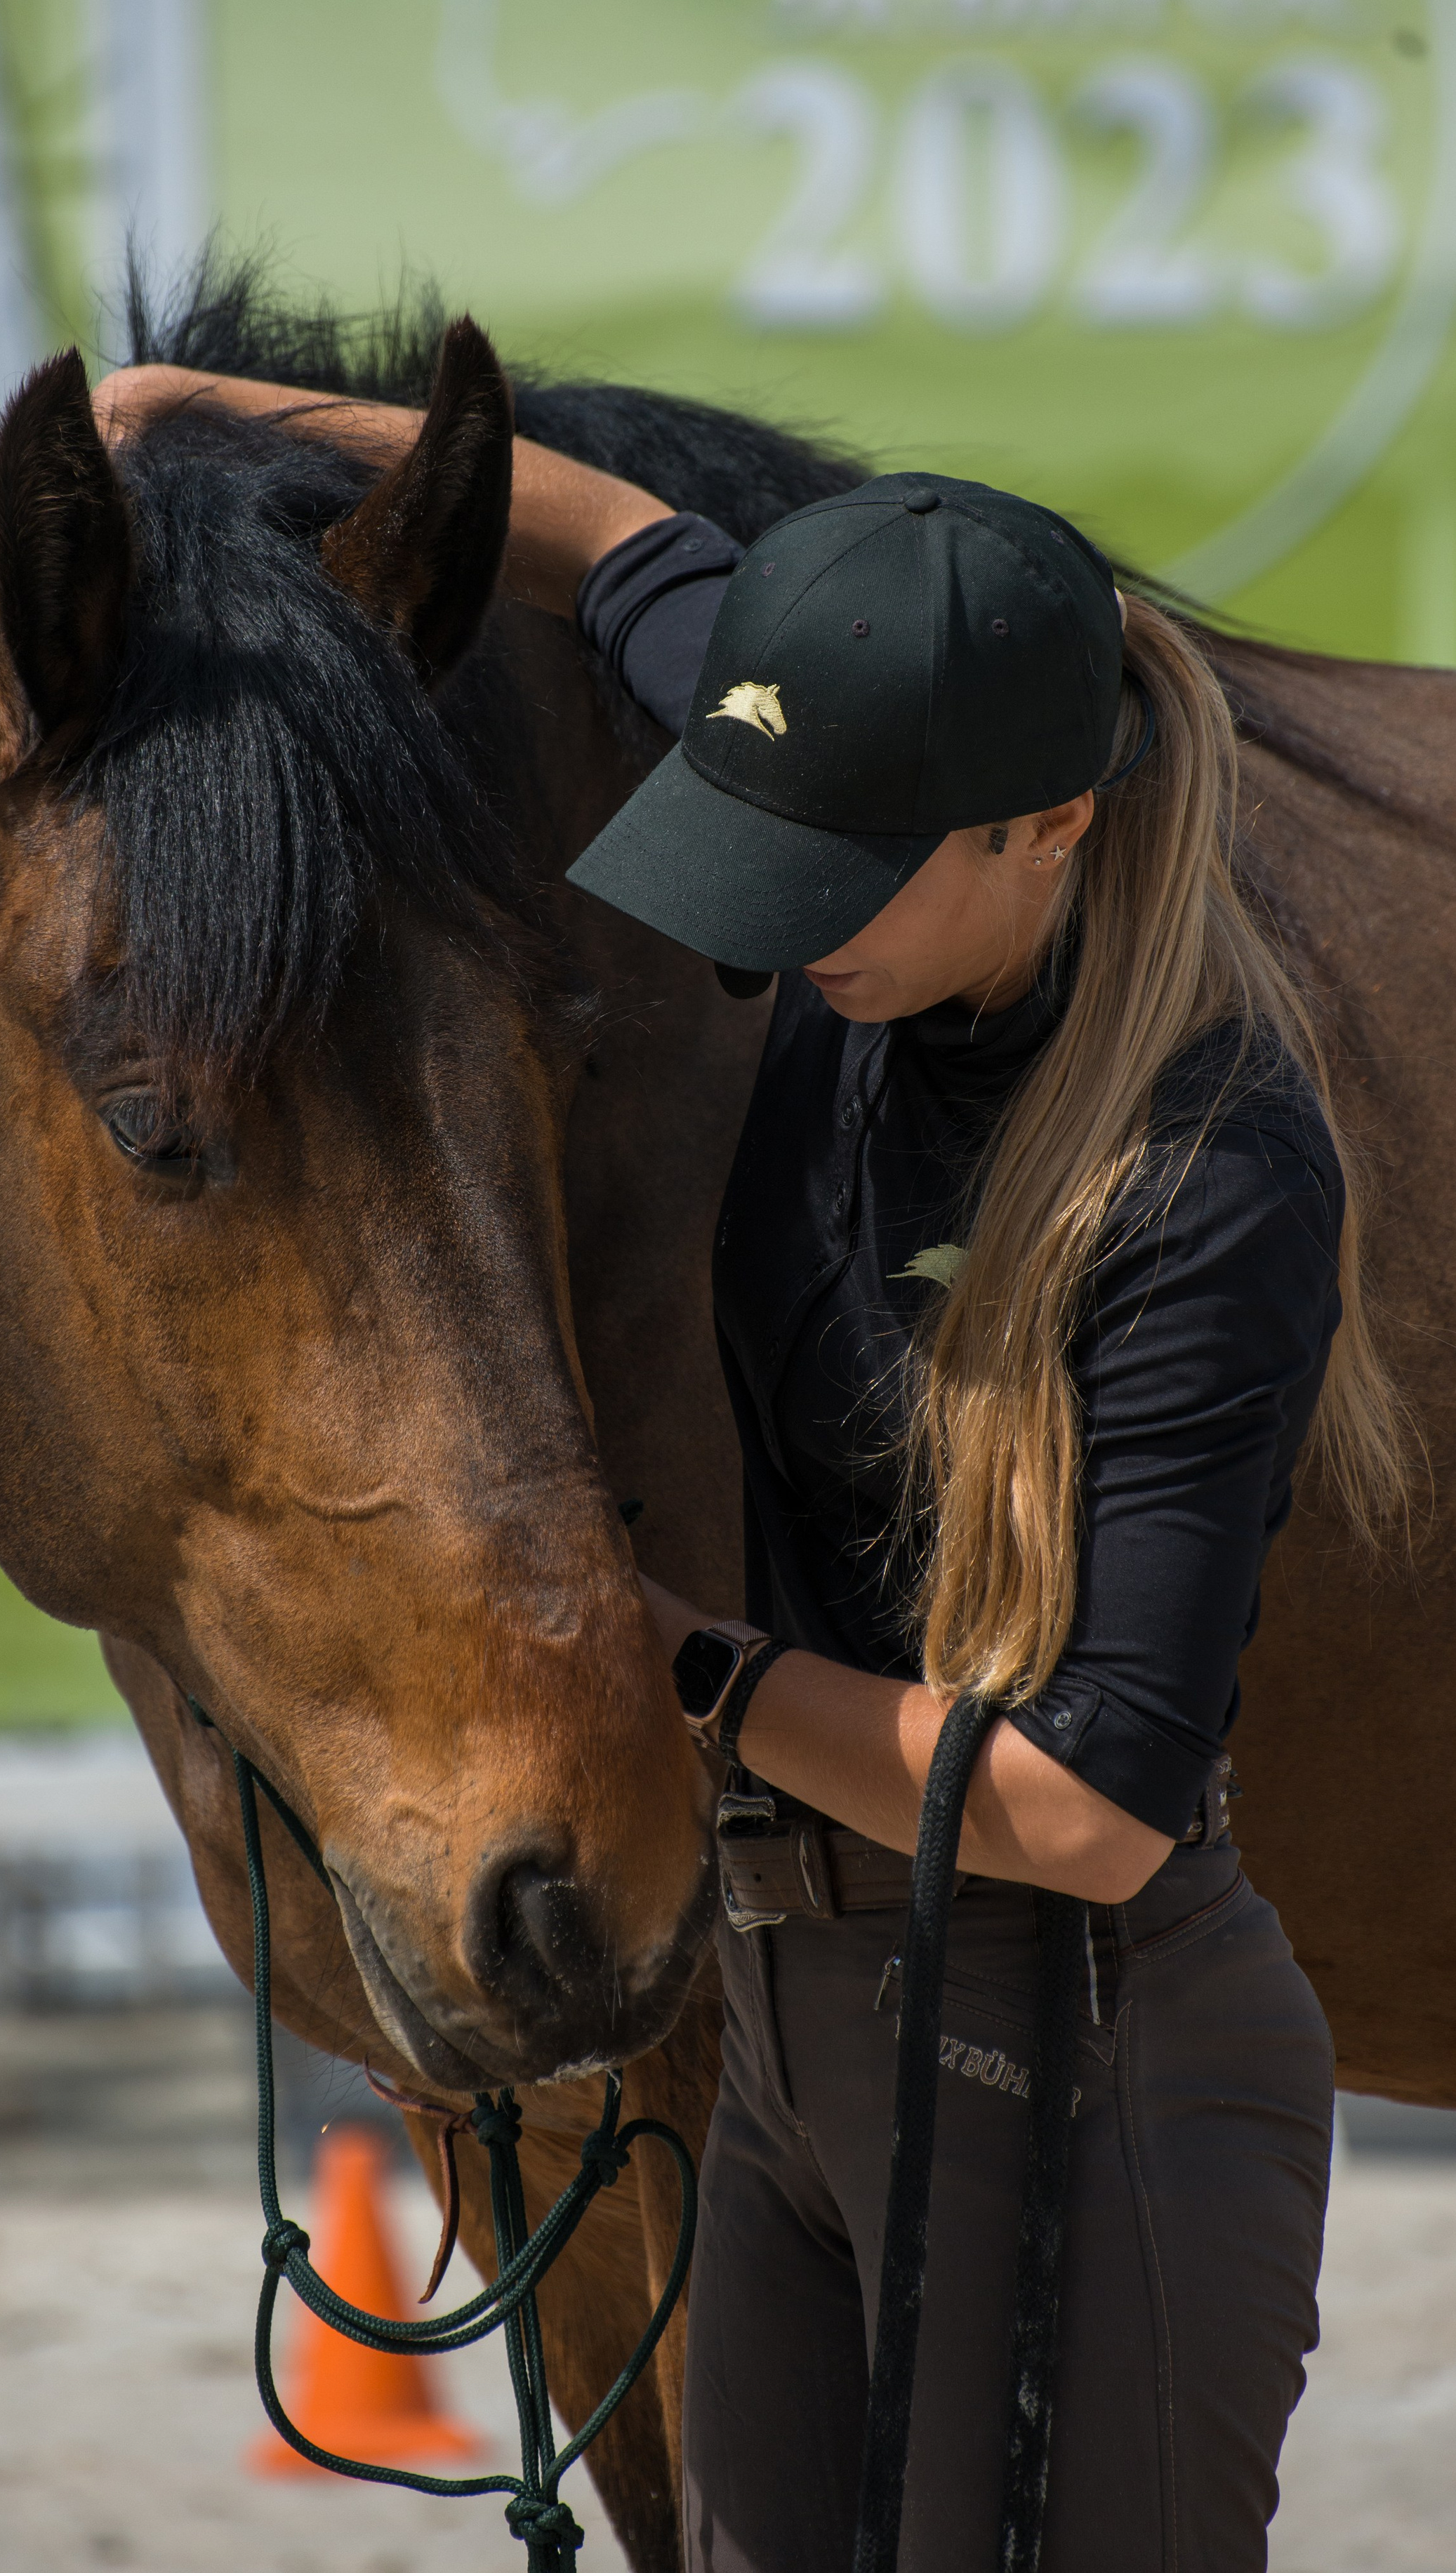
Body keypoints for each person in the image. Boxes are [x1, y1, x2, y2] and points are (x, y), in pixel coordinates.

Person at [96, 359, 1409, 2570]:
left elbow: (1091, 1806)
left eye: (837, 879)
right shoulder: (885, 810)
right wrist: (202, 408)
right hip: (808, 2023)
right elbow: (615, 539)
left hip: (1081, 2038)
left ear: (1048, 831)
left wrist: (666, 1666)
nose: (781, 918)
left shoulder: (1205, 1177)